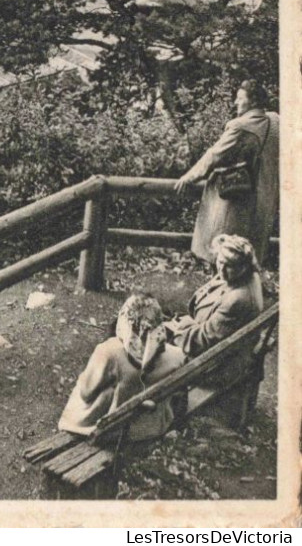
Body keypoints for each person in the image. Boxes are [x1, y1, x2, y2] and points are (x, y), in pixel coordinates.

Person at [175, 80, 279, 264]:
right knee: (249, 257)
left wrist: (188, 177)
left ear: (253, 102)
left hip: (240, 201)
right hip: (265, 197)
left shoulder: (241, 126)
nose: (235, 103)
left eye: (240, 99)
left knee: (227, 252)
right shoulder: (275, 122)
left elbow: (214, 156)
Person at [58, 293, 184, 441]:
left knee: (96, 388)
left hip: (117, 431)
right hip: (154, 425)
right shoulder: (177, 355)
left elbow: (86, 393)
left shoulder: (110, 352)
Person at [165, 234, 263, 363]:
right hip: (206, 332)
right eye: (220, 261)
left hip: (214, 362)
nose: (221, 269)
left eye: (230, 266)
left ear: (243, 267)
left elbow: (203, 342)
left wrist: (176, 331)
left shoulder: (237, 300)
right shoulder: (244, 274)